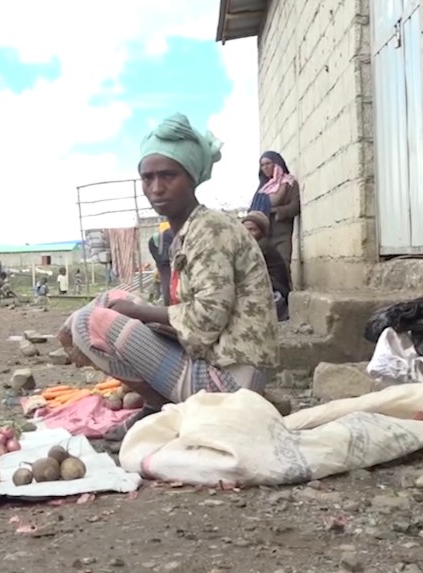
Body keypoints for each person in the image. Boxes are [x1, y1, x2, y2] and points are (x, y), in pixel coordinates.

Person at [58, 113, 280, 441]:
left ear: (191, 178)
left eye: (168, 176)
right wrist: (134, 311)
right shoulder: (185, 234)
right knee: (111, 300)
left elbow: (205, 319)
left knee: (87, 322)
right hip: (214, 360)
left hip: (230, 384)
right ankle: (158, 408)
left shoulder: (210, 230)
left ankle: (165, 411)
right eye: (147, 178)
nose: (156, 188)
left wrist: (139, 314)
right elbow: (181, 310)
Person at [253, 151, 300, 280]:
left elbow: (295, 206)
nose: (265, 167)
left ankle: (285, 292)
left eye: (268, 163)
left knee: (283, 266)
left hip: (282, 233)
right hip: (263, 235)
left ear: (277, 164)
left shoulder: (289, 183)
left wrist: (276, 211)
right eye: (262, 165)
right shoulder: (262, 189)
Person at [242, 211, 291, 322]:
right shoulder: (250, 246)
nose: (248, 234)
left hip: (275, 293)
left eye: (253, 230)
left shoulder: (261, 247)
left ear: (262, 232)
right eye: (245, 230)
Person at [147, 221, 174, 305]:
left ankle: (167, 302)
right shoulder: (175, 233)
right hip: (163, 258)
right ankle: (168, 303)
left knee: (166, 279)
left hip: (162, 257)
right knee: (167, 279)